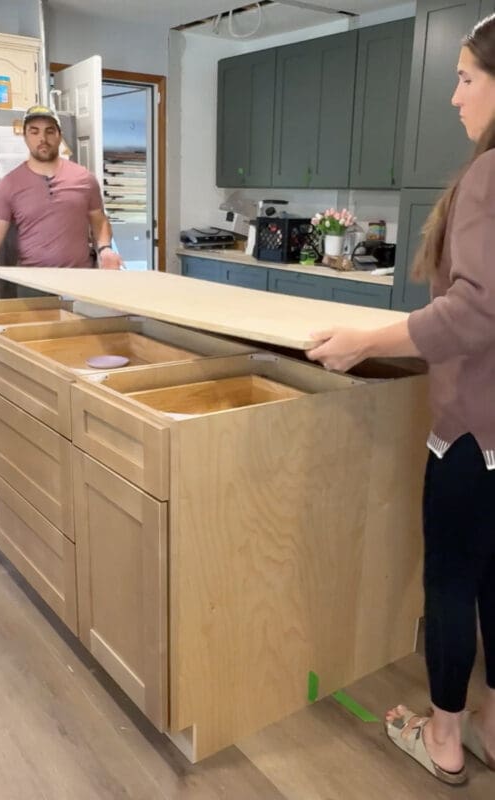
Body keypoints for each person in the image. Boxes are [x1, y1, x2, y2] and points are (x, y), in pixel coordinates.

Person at [307, 13, 495, 787]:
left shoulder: (488, 174)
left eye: (465, 78)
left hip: (470, 437)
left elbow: (476, 310)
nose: (453, 98)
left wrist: (364, 343)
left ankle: (443, 739)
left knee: (451, 584)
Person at [0, 104, 122, 280]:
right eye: (34, 131)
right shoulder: (9, 184)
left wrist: (105, 248)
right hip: (32, 283)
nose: (42, 138)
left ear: (59, 135)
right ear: (25, 137)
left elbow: (99, 221)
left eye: (49, 131)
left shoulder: (84, 178)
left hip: (81, 280)